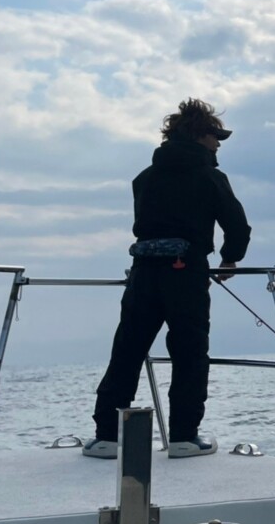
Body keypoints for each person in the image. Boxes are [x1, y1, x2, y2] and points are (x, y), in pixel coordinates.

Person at [82, 98, 251, 460]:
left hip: (143, 273)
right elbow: (237, 225)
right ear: (199, 135)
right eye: (215, 136)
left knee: (127, 351)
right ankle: (183, 438)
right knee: (189, 354)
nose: (218, 144)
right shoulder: (210, 176)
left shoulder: (145, 177)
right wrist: (229, 258)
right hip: (185, 274)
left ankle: (107, 438)